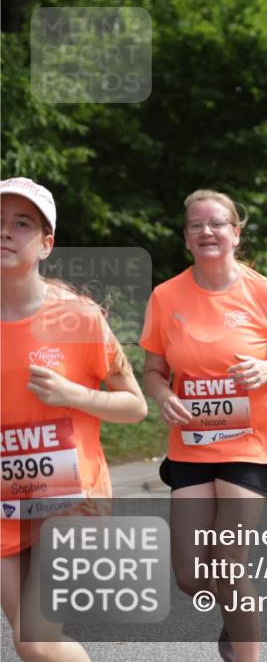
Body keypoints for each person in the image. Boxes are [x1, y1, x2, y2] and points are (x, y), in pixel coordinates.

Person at [141, 189, 267, 662]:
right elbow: (152, 371)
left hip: (251, 444)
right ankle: (238, 621)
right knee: (191, 577)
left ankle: (247, 650)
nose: (207, 231)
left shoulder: (266, 293)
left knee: (229, 563)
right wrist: (165, 395)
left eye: (217, 223)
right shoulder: (166, 295)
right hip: (192, 445)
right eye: (197, 225)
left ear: (235, 233)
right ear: (186, 238)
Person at [2, 178, 148, 662]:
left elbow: (135, 405)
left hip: (70, 497)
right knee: (31, 648)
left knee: (36, 643)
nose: (5, 232)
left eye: (21, 224)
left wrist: (75, 394)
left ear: (46, 244)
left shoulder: (80, 319)